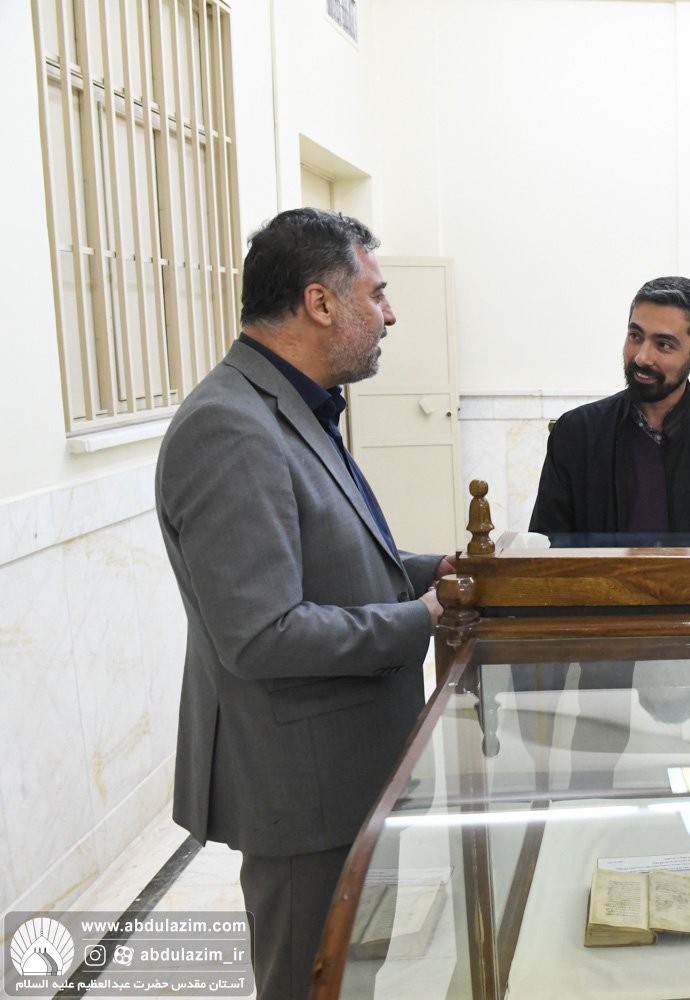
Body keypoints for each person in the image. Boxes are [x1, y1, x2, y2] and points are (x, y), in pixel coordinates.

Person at [155, 208, 450, 996]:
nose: (391, 314)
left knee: (355, 975)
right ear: (321, 303)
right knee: (310, 983)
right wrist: (423, 619)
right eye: (377, 294)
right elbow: (263, 633)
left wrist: (436, 571)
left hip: (353, 770)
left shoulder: (298, 405)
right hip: (306, 787)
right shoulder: (229, 426)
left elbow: (335, 560)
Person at [530, 276, 690, 534]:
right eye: (635, 336)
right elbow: (546, 546)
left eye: (664, 345)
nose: (642, 357)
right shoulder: (576, 434)